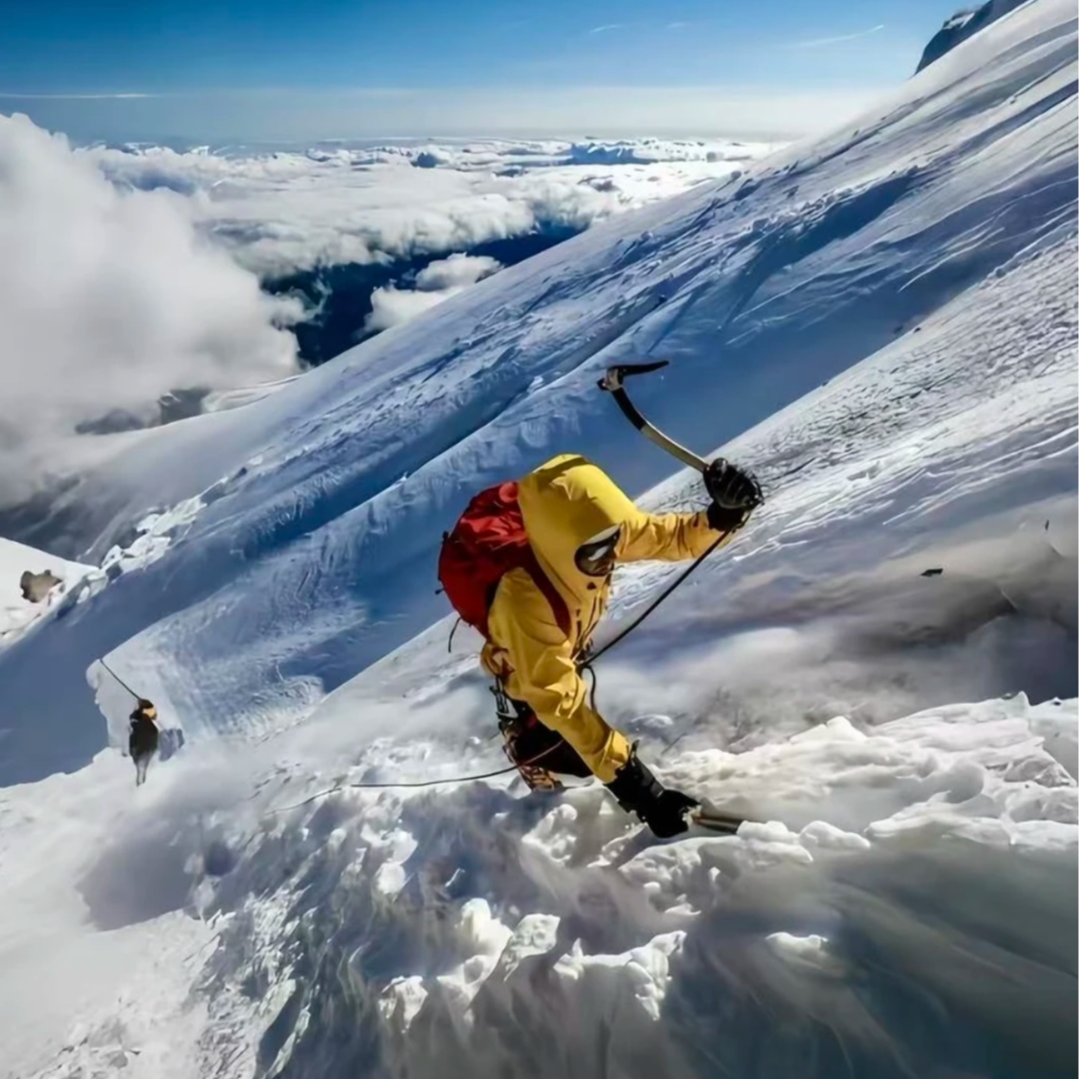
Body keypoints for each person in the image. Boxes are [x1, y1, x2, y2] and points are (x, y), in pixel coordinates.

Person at [445, 452, 762, 839]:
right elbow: (563, 704)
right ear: (558, 544)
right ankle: (532, 766)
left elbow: (672, 539)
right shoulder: (523, 601)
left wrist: (721, 517)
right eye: (594, 553)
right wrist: (645, 795)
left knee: (578, 737)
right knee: (562, 750)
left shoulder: (599, 533)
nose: (609, 558)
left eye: (613, 542)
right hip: (526, 660)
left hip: (563, 637)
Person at [128, 698, 160, 787]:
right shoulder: (138, 721)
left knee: (143, 766)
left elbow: (153, 715)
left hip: (144, 746)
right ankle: (141, 784)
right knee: (142, 767)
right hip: (143, 747)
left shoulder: (143, 722)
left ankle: (142, 783)